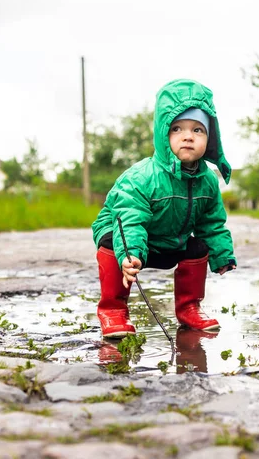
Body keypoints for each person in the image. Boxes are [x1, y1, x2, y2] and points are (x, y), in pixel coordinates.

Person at [92, 78, 237, 338]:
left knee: (198, 247)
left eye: (198, 130)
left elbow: (211, 223)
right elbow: (129, 218)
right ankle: (113, 310)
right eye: (177, 129)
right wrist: (130, 253)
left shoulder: (208, 181)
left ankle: (189, 308)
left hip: (172, 241)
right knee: (110, 241)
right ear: (163, 134)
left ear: (210, 138)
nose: (188, 136)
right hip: (128, 238)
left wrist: (222, 254)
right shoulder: (142, 177)